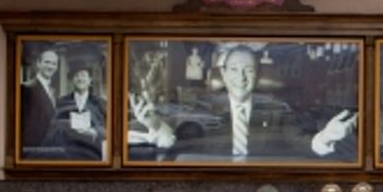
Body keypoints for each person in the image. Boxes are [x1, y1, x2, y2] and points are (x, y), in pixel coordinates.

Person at [129, 45, 356, 161]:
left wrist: (325, 136)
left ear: (257, 77)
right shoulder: (202, 108)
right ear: (224, 75)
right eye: (234, 70)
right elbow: (174, 143)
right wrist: (156, 126)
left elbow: (300, 143)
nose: (241, 78)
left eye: (249, 70)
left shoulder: (273, 110)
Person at [44, 60, 107, 160]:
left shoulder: (100, 103)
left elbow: (109, 129)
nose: (80, 79)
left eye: (83, 75)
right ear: (72, 80)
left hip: (93, 152)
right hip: (69, 153)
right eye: (76, 76)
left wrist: (94, 131)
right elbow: (53, 127)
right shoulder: (61, 102)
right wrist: (67, 126)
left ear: (90, 80)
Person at [20, 48, 60, 150]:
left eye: (54, 64)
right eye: (47, 62)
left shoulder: (53, 91)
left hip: (50, 148)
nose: (50, 67)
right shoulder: (26, 88)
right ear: (38, 63)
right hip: (33, 149)